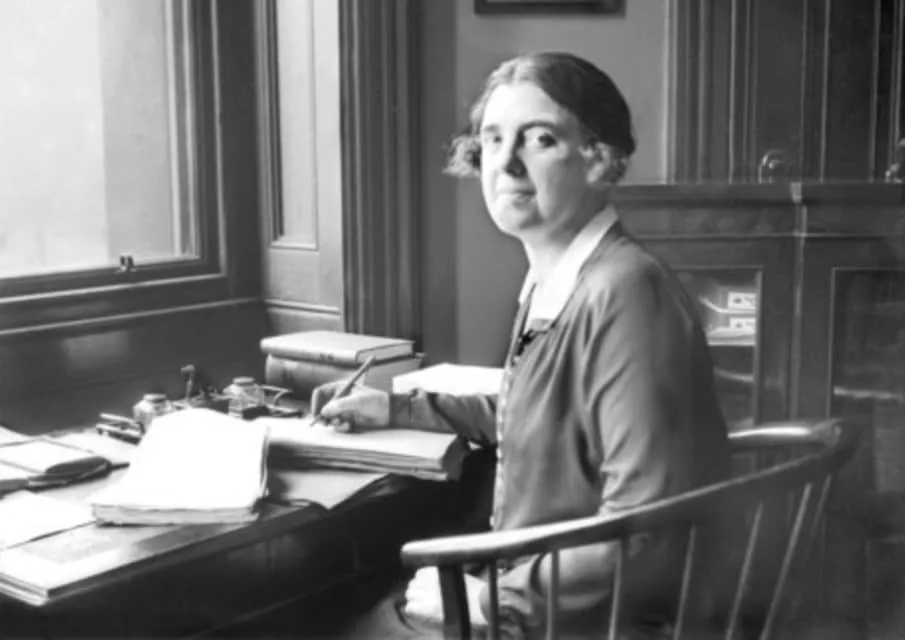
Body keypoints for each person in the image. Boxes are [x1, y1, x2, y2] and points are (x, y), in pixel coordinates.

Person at [312, 51, 732, 639]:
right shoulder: (555, 277)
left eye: (539, 139)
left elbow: (645, 529)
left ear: (600, 160)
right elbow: (537, 410)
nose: (506, 163)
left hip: (595, 621)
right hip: (541, 589)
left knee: (333, 615)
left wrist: (492, 601)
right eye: (493, 139)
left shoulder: (627, 293)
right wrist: (395, 408)